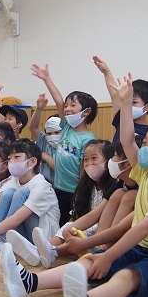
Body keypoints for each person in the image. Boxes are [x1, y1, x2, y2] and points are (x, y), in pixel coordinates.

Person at [0, 74, 148, 297]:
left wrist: (108, 256)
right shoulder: (145, 175)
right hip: (138, 248)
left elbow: (142, 228)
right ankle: (28, 282)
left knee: (127, 277)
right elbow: (126, 139)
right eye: (144, 143)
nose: (144, 149)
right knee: (90, 260)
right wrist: (124, 103)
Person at [8, 139, 138, 268]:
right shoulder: (103, 187)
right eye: (85, 159)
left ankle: (47, 250)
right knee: (71, 226)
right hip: (96, 230)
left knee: (119, 198)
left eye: (115, 156)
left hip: (110, 237)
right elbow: (94, 214)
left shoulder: (126, 189)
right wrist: (70, 228)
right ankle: (44, 250)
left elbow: (117, 226)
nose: (89, 163)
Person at [31, 63, 98, 227]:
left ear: (86, 111)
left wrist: (80, 194)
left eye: (73, 105)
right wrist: (47, 78)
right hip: (58, 187)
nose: (67, 109)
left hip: (74, 191)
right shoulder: (67, 127)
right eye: (67, 105)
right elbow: (58, 101)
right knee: (57, 222)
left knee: (70, 224)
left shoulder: (88, 139)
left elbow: (84, 171)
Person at [0, 139, 60, 257]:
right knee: (8, 193)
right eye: (9, 158)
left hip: (42, 238)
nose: (11, 161)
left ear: (32, 161)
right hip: (18, 231)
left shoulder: (41, 186)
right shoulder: (14, 180)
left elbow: (16, 219)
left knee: (21, 192)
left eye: (16, 157)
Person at [92, 55, 148, 143]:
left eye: (134, 102)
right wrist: (106, 72)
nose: (129, 105)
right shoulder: (121, 118)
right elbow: (115, 95)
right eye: (127, 101)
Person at [28, 93, 61, 185]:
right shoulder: (44, 141)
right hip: (43, 185)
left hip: (60, 187)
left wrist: (46, 157)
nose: (52, 136)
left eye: (57, 132)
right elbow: (33, 127)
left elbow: (60, 170)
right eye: (49, 133)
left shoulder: (68, 145)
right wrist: (39, 109)